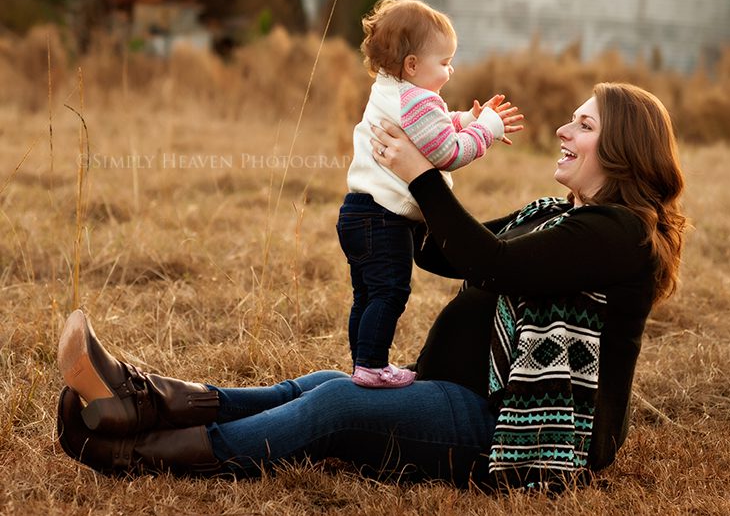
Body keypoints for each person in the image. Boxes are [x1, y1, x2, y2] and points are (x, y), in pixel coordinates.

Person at [56, 82, 685, 491]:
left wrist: (421, 175)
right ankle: (140, 398)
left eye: (583, 126)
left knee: (338, 406)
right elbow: (447, 253)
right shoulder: (557, 216)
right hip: (461, 396)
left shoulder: (622, 232)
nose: (563, 132)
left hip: (512, 428)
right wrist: (395, 187)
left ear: (622, 149)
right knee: (317, 385)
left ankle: (138, 453)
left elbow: (491, 263)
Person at [339, 0, 522, 387]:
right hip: (385, 220)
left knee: (367, 294)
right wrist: (485, 131)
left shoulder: (390, 90)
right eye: (444, 62)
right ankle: (372, 365)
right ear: (412, 65)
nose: (450, 70)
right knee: (391, 291)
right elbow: (446, 152)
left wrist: (467, 118)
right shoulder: (418, 101)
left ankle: (363, 363)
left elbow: (431, 127)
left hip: (357, 211)